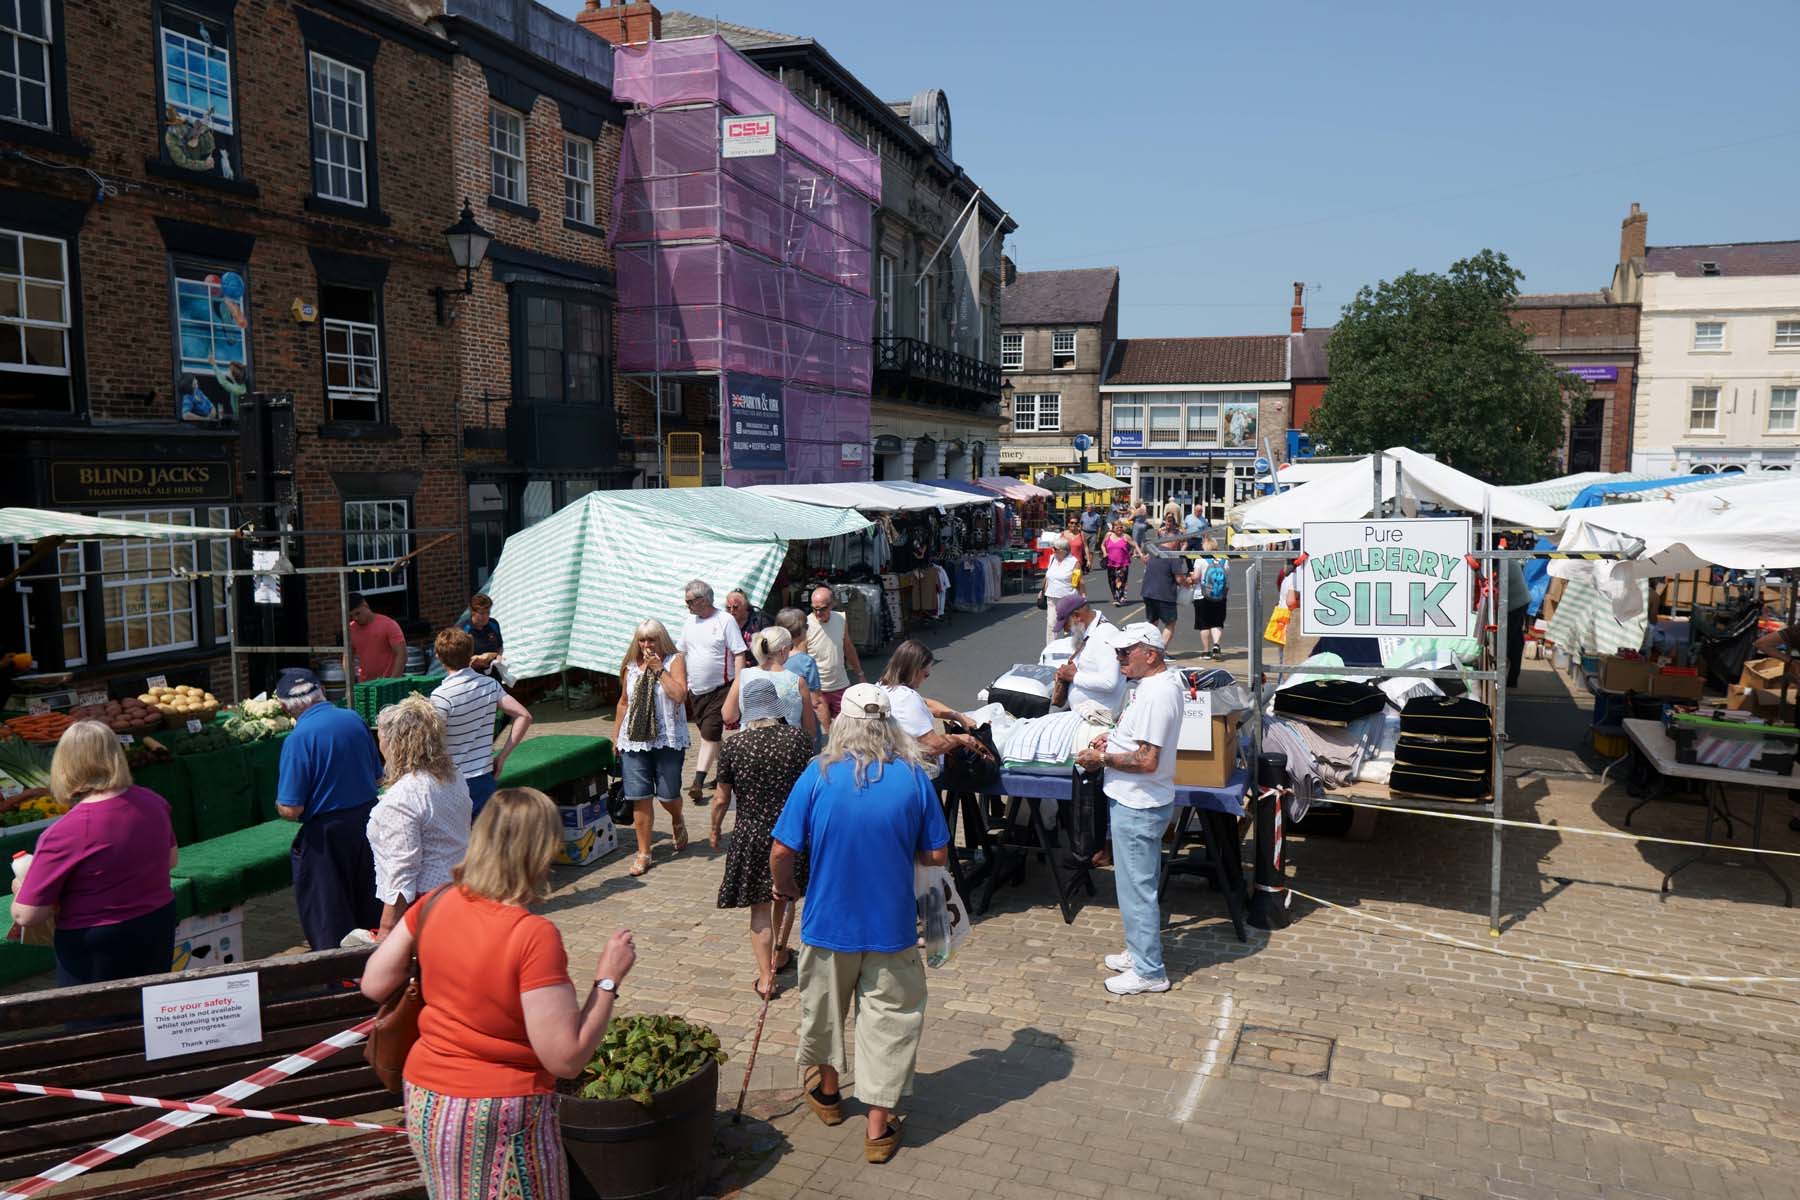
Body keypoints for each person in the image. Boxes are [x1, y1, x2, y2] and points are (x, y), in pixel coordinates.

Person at [360, 789, 638, 1200]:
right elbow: (565, 1058)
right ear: (541, 852)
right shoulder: (532, 936)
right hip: (499, 1112)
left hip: (427, 1099)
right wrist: (607, 980)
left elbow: (374, 984)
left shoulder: (436, 901)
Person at [771, 684, 949, 1165]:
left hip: (828, 921)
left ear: (842, 724)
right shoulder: (915, 777)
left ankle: (828, 1096)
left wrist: (784, 889)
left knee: (824, 1011)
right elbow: (935, 855)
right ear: (891, 725)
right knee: (889, 1022)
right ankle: (878, 1126)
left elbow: (782, 851)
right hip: (891, 926)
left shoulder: (817, 773)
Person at [9, 720, 177, 985]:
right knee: (148, 1015)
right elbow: (170, 860)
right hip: (156, 925)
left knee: (93, 1022)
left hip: (96, 946)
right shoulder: (153, 801)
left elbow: (27, 915)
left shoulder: (64, 832)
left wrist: (21, 887)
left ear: (64, 765)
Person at [1074, 623, 1183, 996]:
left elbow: (1147, 759)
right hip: (1138, 799)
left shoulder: (1156, 694)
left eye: (1125, 652)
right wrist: (1115, 739)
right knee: (1138, 884)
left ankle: (1150, 970)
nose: (1118, 658)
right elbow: (1139, 743)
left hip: (1139, 802)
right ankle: (1140, 952)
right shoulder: (1150, 688)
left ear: (1149, 655)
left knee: (1137, 889)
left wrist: (1101, 757)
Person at [710, 676, 813, 1000]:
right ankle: (781, 951)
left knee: (758, 909)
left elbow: (721, 798)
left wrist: (714, 827)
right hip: (791, 833)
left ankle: (766, 978)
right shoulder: (798, 740)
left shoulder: (734, 746)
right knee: (785, 895)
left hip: (750, 834)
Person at [275, 667, 383, 951]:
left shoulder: (297, 739)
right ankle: (376, 973)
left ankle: (340, 983)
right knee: (371, 906)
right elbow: (378, 776)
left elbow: (291, 808)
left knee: (329, 918)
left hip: (327, 837)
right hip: (370, 824)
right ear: (321, 690)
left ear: (284, 706)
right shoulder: (353, 719)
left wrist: (280, 805)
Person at [367, 695, 471, 938]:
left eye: (380, 737)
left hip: (425, 908)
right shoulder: (453, 776)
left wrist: (385, 933)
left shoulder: (402, 798)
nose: (379, 744)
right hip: (459, 892)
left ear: (396, 742)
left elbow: (402, 874)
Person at [614, 619, 690, 878]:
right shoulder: (630, 668)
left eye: (652, 640)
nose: (647, 645)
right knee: (640, 796)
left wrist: (659, 670)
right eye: (643, 640)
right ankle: (644, 853)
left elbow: (679, 695)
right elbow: (623, 703)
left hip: (667, 738)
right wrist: (615, 738)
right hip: (634, 739)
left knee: (668, 795)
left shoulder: (674, 661)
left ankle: (677, 818)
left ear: (662, 640)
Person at [430, 627, 532, 820]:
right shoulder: (489, 685)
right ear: (471, 654)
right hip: (484, 778)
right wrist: (502, 757)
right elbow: (524, 716)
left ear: (438, 657)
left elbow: (431, 742)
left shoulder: (440, 696)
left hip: (453, 782)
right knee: (488, 842)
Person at [678, 580, 748, 805]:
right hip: (696, 691)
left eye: (689, 601)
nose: (686, 604)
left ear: (704, 600)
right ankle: (727, 774)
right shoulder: (689, 621)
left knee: (708, 735)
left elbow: (739, 653)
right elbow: (681, 651)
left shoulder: (725, 620)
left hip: (721, 689)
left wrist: (737, 687)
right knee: (713, 737)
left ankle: (698, 781)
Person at [877, 639, 994, 765]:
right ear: (914, 671)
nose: (925, 679)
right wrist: (960, 739)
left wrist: (957, 716)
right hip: (912, 768)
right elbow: (932, 746)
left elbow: (925, 704)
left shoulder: (880, 688)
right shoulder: (908, 699)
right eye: (926, 675)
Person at [723, 626, 823, 740]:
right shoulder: (798, 681)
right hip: (788, 747)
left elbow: (728, 716)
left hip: (751, 746)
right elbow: (809, 728)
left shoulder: (744, 676)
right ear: (783, 650)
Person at [1050, 594, 1127, 715]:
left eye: (1066, 624)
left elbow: (1109, 682)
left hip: (1102, 714)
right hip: (1086, 711)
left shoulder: (1104, 635)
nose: (1066, 630)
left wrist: (1074, 676)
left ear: (1077, 616)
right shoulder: (1090, 631)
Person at [805, 585, 865, 718]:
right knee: (825, 733)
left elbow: (848, 647)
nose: (818, 613)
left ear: (832, 605)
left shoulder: (840, 619)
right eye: (814, 609)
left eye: (822, 609)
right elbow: (802, 659)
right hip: (818, 689)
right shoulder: (806, 625)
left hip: (840, 685)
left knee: (846, 730)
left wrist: (860, 673)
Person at [1138, 531, 1191, 655]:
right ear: (1174, 542)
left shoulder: (1154, 551)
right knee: (1170, 623)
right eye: (1178, 542)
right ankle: (1160, 651)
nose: (1179, 545)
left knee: (1152, 622)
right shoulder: (1173, 556)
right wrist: (1187, 583)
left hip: (1148, 592)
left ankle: (1147, 650)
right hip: (1165, 594)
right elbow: (1179, 578)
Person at [347, 593, 406, 683]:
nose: (355, 618)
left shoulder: (388, 624)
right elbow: (347, 657)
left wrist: (392, 681)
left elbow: (402, 654)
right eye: (351, 616)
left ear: (365, 605)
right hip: (365, 684)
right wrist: (351, 683)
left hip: (387, 682)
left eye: (357, 613)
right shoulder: (351, 629)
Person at [1193, 535, 1230, 660]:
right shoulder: (1224, 560)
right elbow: (1226, 577)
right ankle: (1216, 644)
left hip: (1202, 595)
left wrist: (1191, 577)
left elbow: (1196, 577)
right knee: (1217, 622)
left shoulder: (1200, 559)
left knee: (1204, 624)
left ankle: (1205, 651)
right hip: (1220, 595)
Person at [1041, 536, 1081, 645]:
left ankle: (1071, 648)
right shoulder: (1052, 558)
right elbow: (1048, 576)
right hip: (1052, 597)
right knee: (1051, 624)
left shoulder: (1074, 562)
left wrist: (1082, 596)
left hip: (1068, 598)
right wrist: (1042, 590)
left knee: (1069, 626)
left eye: (1055, 549)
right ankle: (1050, 648)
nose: (1052, 550)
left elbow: (1078, 581)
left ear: (1063, 551)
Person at [461, 593, 503, 672]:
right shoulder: (463, 630)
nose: (486, 616)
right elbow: (459, 658)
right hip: (473, 676)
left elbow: (499, 646)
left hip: (494, 673)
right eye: (482, 613)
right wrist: (475, 663)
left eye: (488, 612)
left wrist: (499, 656)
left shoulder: (493, 624)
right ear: (473, 612)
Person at [1505, 557, 1530, 689]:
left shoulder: (1500, 561)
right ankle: (1512, 679)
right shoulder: (1506, 559)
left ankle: (1509, 678)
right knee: (1515, 640)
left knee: (1507, 642)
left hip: (1515, 604)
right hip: (1520, 602)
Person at [1102, 521, 1135, 606]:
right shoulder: (1108, 535)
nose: (1119, 529)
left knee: (1120, 580)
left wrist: (1140, 554)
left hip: (1122, 563)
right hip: (1110, 562)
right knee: (1111, 581)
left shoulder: (1125, 536)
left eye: (1121, 527)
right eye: (1117, 527)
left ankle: (1118, 598)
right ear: (1113, 528)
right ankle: (1118, 596)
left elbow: (1134, 544)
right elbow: (1102, 545)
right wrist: (1105, 552)